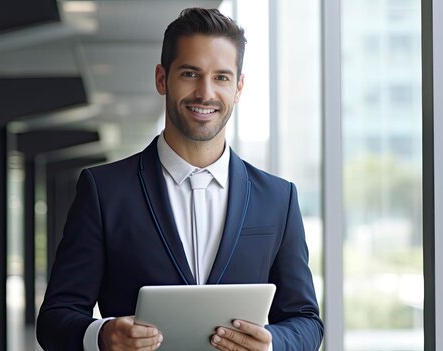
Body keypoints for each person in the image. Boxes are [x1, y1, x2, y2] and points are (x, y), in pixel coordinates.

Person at [36, 7, 323, 351]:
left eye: (221, 77)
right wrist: (101, 335)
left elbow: (307, 320)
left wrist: (273, 342)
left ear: (239, 87)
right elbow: (55, 317)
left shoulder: (279, 198)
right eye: (190, 73)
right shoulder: (104, 191)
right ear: (162, 78)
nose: (205, 93)